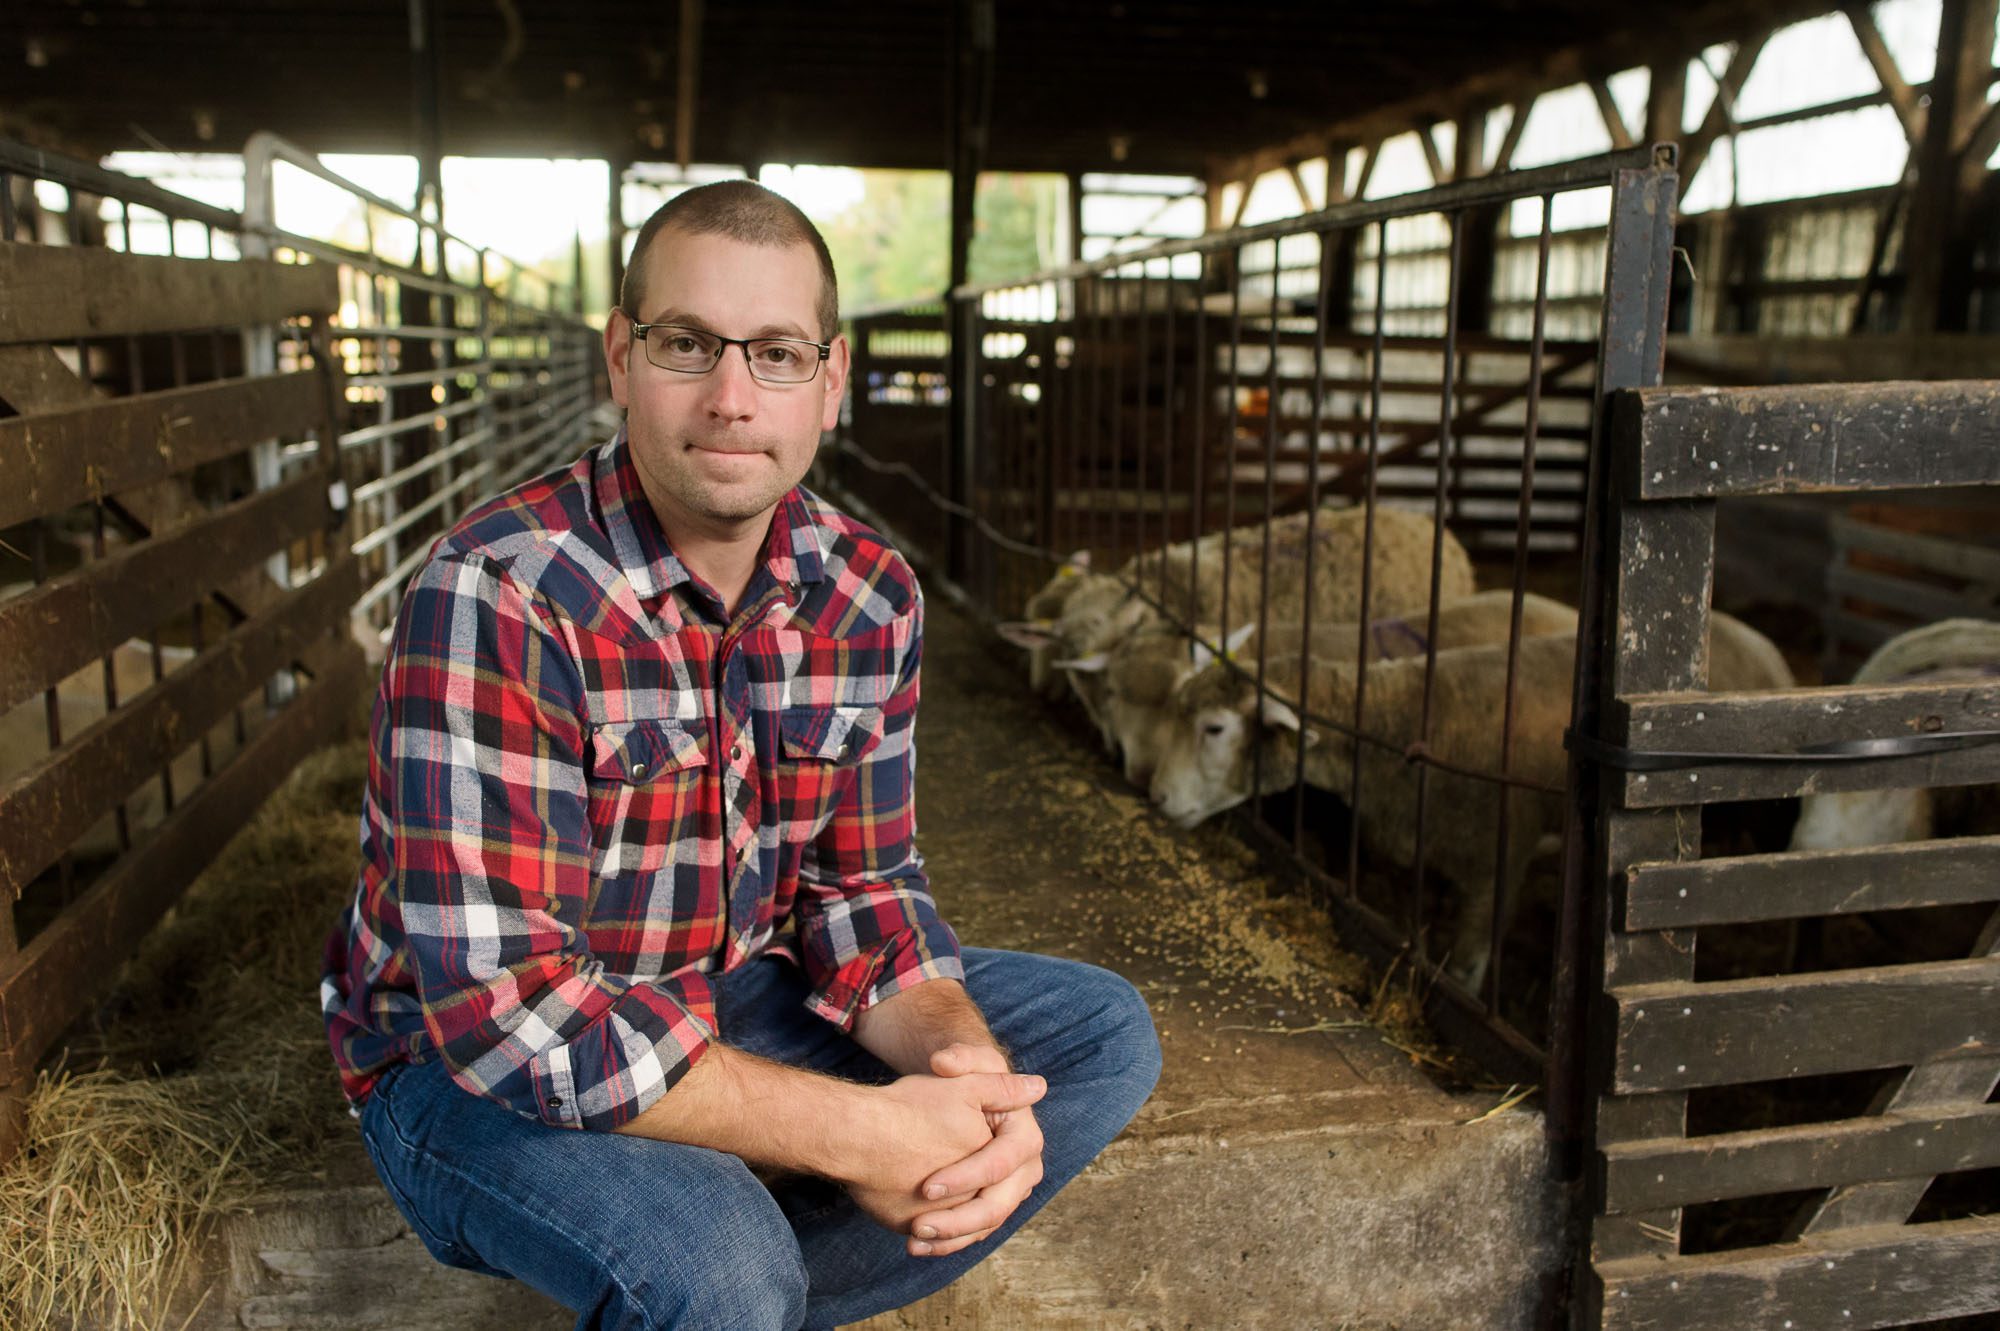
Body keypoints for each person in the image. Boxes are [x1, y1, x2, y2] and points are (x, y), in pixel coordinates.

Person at [319, 180, 1161, 1330]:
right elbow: (510, 1013)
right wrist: (861, 1129)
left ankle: (729, 1299)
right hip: (466, 1068)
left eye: (774, 352)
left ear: (830, 380)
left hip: (726, 992)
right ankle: (725, 1286)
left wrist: (958, 1071)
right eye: (685, 344)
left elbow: (860, 889)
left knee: (1096, 1036)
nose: (729, 397)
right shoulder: (502, 590)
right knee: (718, 1262)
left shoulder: (871, 591)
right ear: (619, 357)